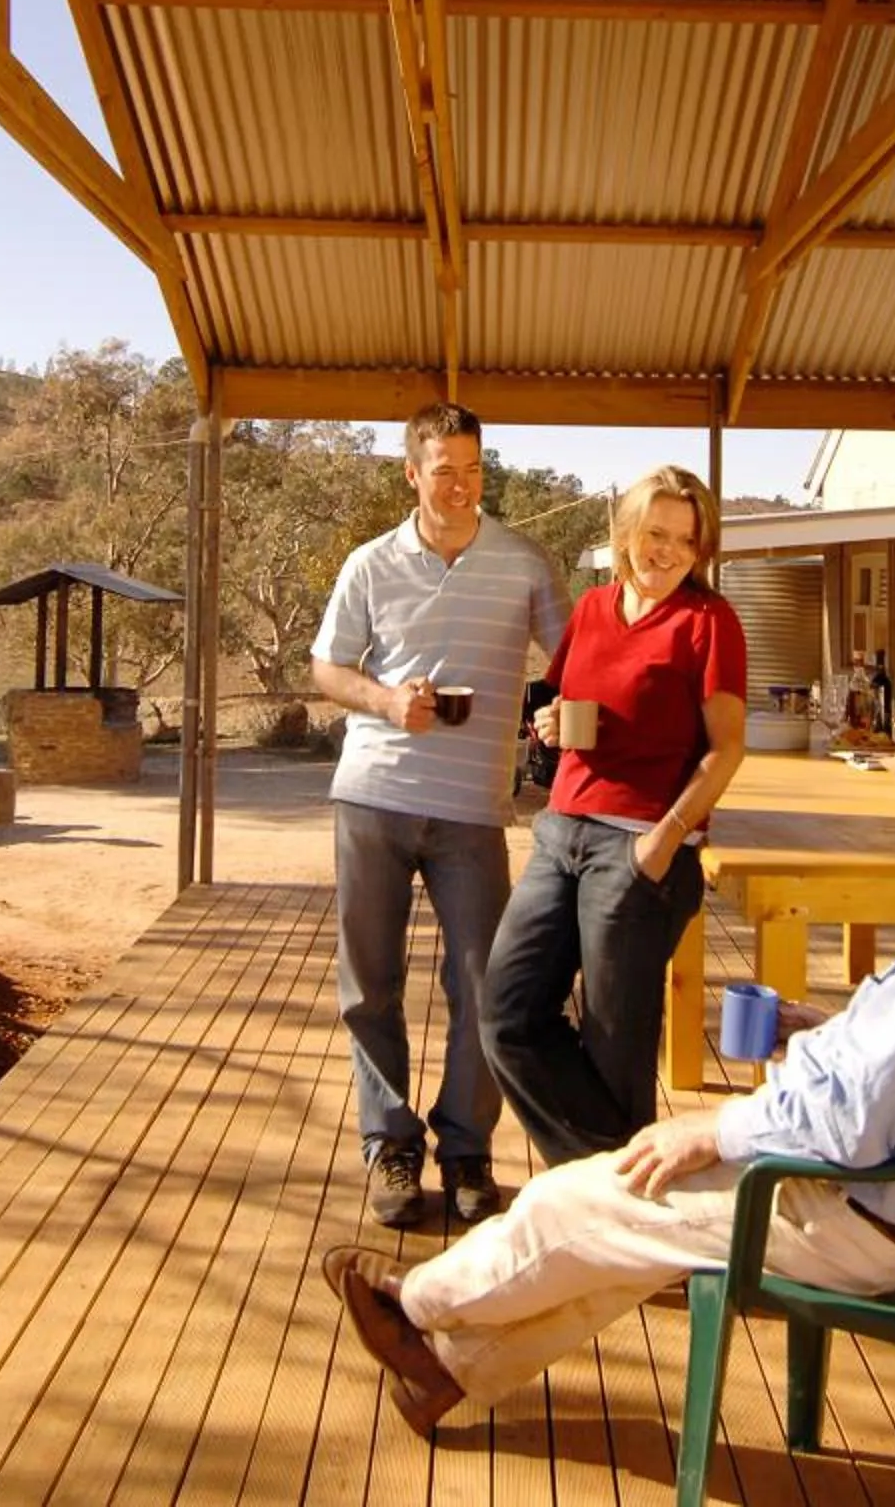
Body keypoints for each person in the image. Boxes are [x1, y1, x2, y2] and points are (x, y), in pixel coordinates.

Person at [317, 690, 895, 1434]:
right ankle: (447, 1370)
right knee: (632, 1224)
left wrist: (716, 1129)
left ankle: (414, 1307)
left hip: (855, 1217)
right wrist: (827, 1029)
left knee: (587, 1193)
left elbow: (849, 1121)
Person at [310, 403, 570, 1232]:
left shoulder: (525, 564)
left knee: (482, 987)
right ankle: (391, 1146)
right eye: (443, 469)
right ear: (412, 473)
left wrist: (562, 710)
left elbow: (575, 663)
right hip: (373, 797)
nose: (460, 486)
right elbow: (327, 668)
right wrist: (386, 698)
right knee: (370, 989)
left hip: (470, 810)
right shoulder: (369, 564)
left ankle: (466, 1151)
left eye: (473, 470)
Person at [486, 465, 747, 1169]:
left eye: (685, 543)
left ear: (701, 551)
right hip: (561, 830)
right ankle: (613, 1195)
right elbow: (564, 704)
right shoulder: (594, 608)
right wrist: (549, 722)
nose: (665, 552)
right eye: (655, 533)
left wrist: (661, 846)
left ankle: (611, 1221)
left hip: (641, 850)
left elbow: (726, 751)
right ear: (627, 530)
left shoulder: (708, 621)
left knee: (614, 1051)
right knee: (507, 1017)